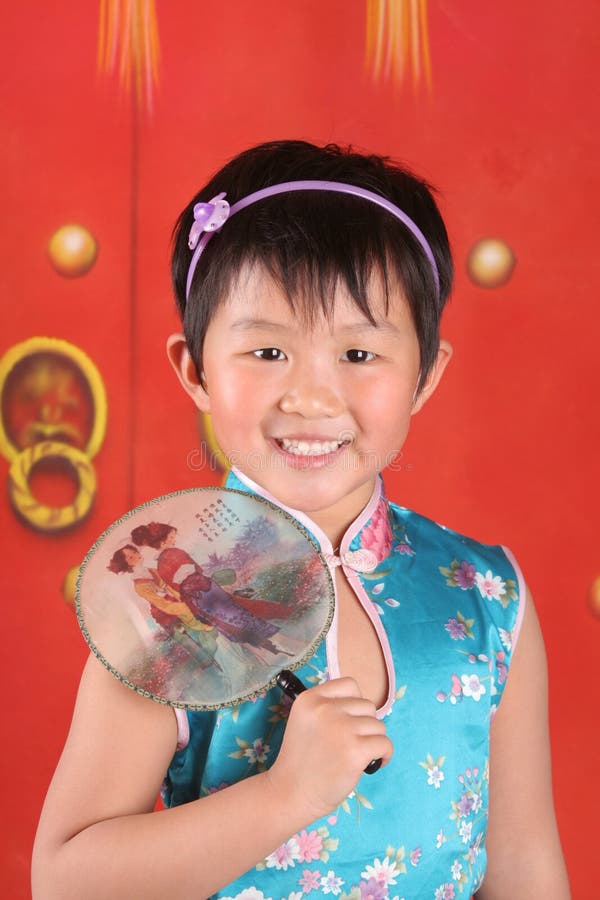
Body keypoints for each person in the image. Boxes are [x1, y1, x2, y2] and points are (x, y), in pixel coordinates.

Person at [32, 140, 570, 899]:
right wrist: (287, 796)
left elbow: (523, 870)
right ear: (195, 368)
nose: (310, 398)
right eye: (267, 350)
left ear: (426, 373)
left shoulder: (488, 597)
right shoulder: (166, 603)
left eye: (357, 352)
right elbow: (65, 880)